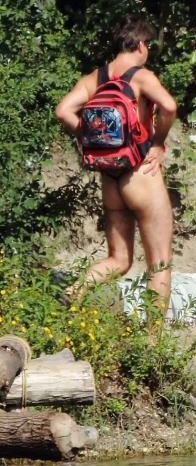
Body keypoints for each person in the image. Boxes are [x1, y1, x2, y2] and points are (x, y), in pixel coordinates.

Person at [55, 17, 177, 315]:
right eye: (149, 46)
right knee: (159, 263)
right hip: (141, 174)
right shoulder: (141, 77)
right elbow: (169, 106)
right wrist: (157, 144)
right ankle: (152, 338)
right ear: (140, 45)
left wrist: (90, 138)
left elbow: (63, 111)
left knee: (119, 260)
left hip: (109, 176)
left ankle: (73, 291)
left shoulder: (93, 79)